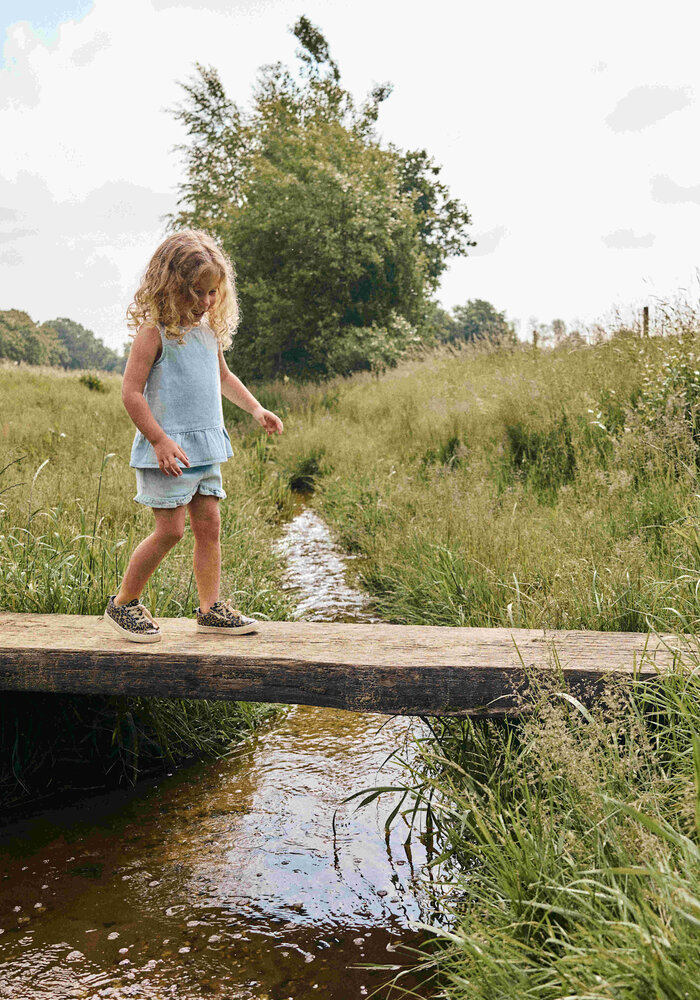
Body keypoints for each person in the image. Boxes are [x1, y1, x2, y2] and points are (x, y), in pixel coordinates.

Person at [104, 229, 283, 643]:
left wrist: (256, 408)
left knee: (210, 527)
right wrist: (159, 440)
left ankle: (210, 609)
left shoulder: (208, 334)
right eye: (197, 293)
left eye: (213, 293)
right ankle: (123, 603)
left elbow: (223, 377)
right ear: (170, 288)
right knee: (170, 531)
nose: (206, 303)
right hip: (168, 452)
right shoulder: (153, 334)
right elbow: (131, 393)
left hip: (205, 448)